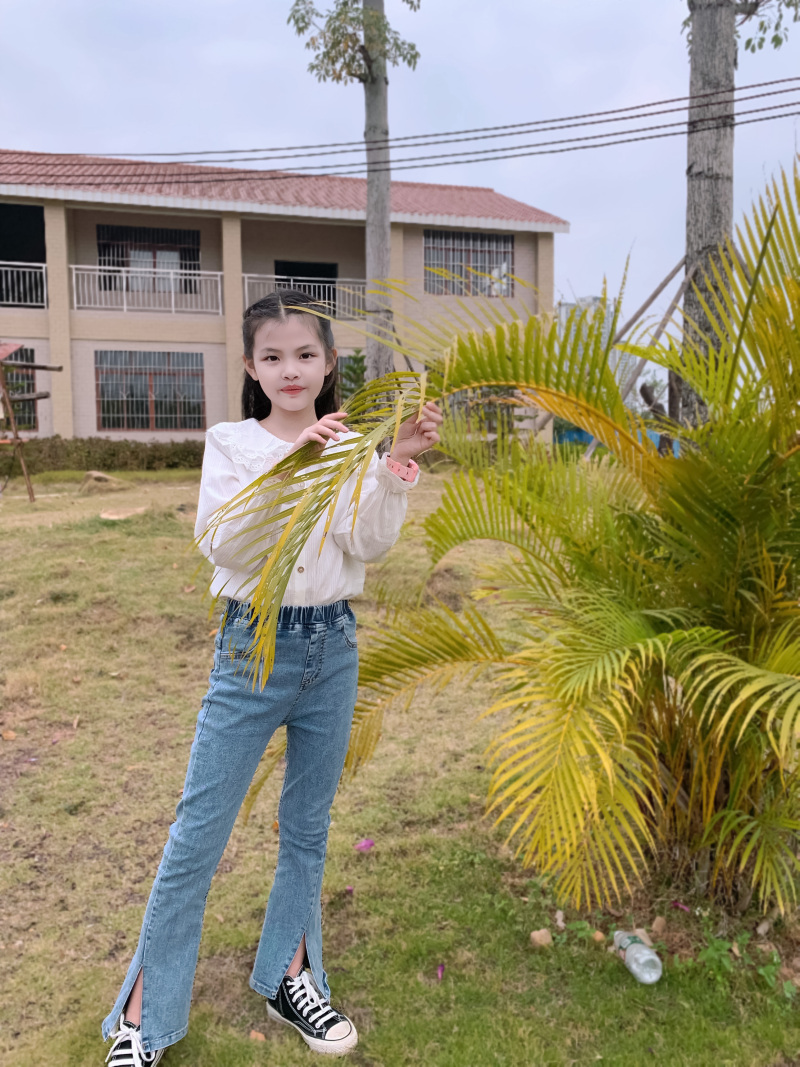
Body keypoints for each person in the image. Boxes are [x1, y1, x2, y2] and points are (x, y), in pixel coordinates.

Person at [101, 289, 442, 1064]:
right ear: (251, 367)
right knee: (198, 833)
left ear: (329, 364)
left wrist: (395, 462)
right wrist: (296, 463)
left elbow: (365, 542)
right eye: (274, 356)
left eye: (306, 354)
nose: (291, 369)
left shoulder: (351, 444)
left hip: (333, 646)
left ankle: (292, 978)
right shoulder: (232, 443)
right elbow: (224, 542)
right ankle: (143, 1019)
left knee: (307, 828)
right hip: (252, 649)